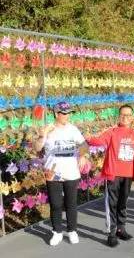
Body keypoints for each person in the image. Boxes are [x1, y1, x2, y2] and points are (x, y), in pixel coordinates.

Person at [84, 104, 134, 248]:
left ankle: (121, 228)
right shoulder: (112, 132)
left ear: (132, 117)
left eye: (128, 115)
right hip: (113, 173)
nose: (125, 117)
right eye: (123, 114)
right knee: (111, 203)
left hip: (128, 174)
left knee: (123, 203)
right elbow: (97, 141)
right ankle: (111, 233)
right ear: (119, 116)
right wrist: (89, 137)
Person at [34, 102, 89, 246]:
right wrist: (41, 136)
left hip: (71, 172)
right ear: (56, 114)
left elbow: (83, 145)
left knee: (71, 203)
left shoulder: (73, 129)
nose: (67, 116)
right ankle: (57, 232)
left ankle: (72, 231)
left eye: (69, 113)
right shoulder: (48, 129)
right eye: (64, 113)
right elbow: (37, 148)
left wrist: (82, 156)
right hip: (52, 173)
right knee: (56, 204)